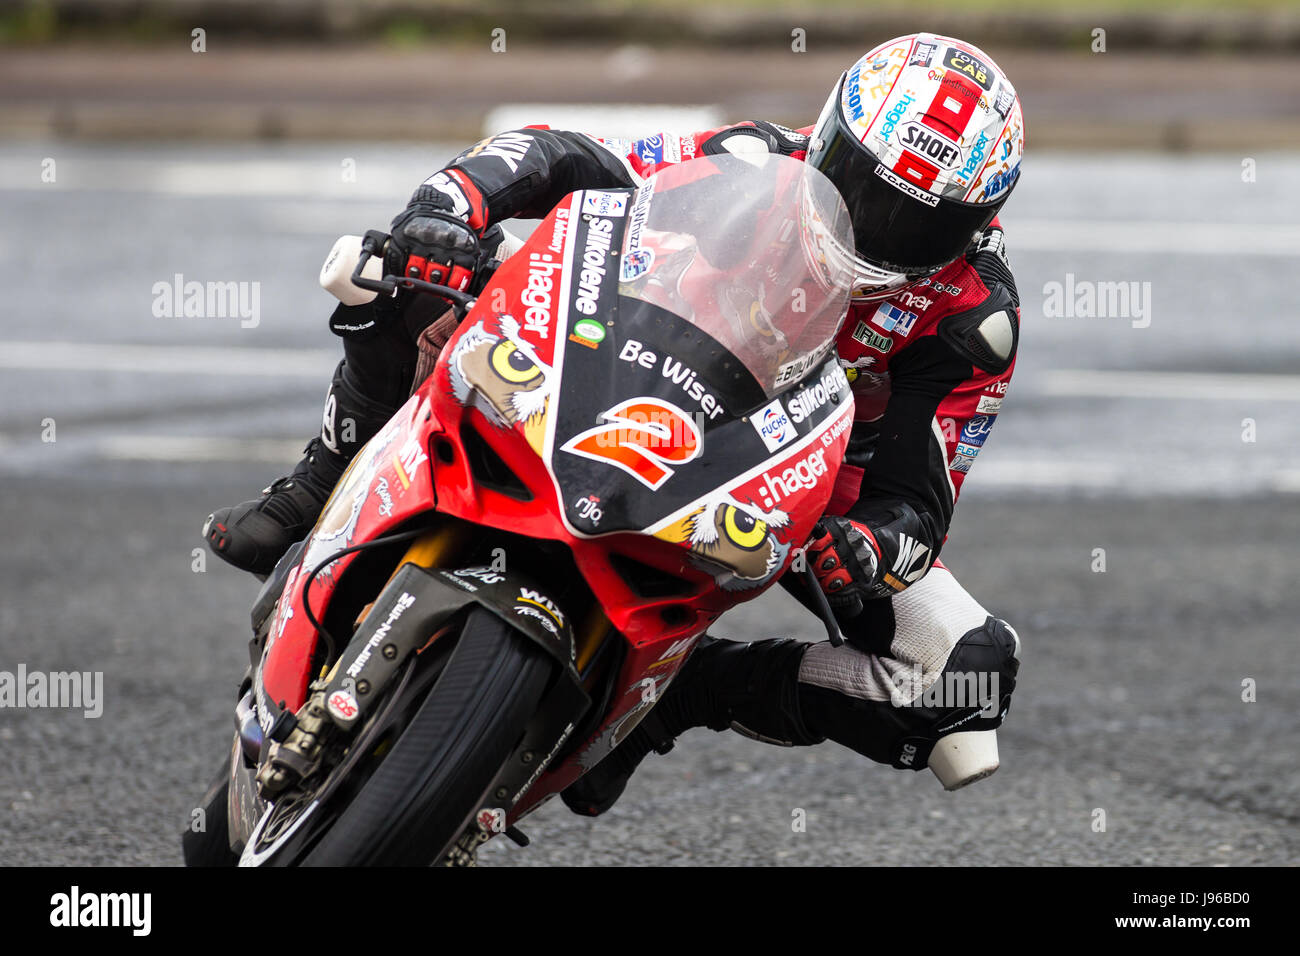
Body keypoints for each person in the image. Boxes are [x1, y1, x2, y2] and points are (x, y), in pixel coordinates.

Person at [202, 32, 1025, 814]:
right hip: (635, 366)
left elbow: (920, 497)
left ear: (974, 221)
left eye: (916, 222)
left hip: (799, 485)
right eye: (857, 184)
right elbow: (565, 155)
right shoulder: (756, 157)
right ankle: (319, 483)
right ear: (834, 136)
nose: (870, 227)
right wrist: (453, 206)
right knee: (399, 271)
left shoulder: (973, 318)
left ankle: (684, 692)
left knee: (968, 679)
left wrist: (874, 545)